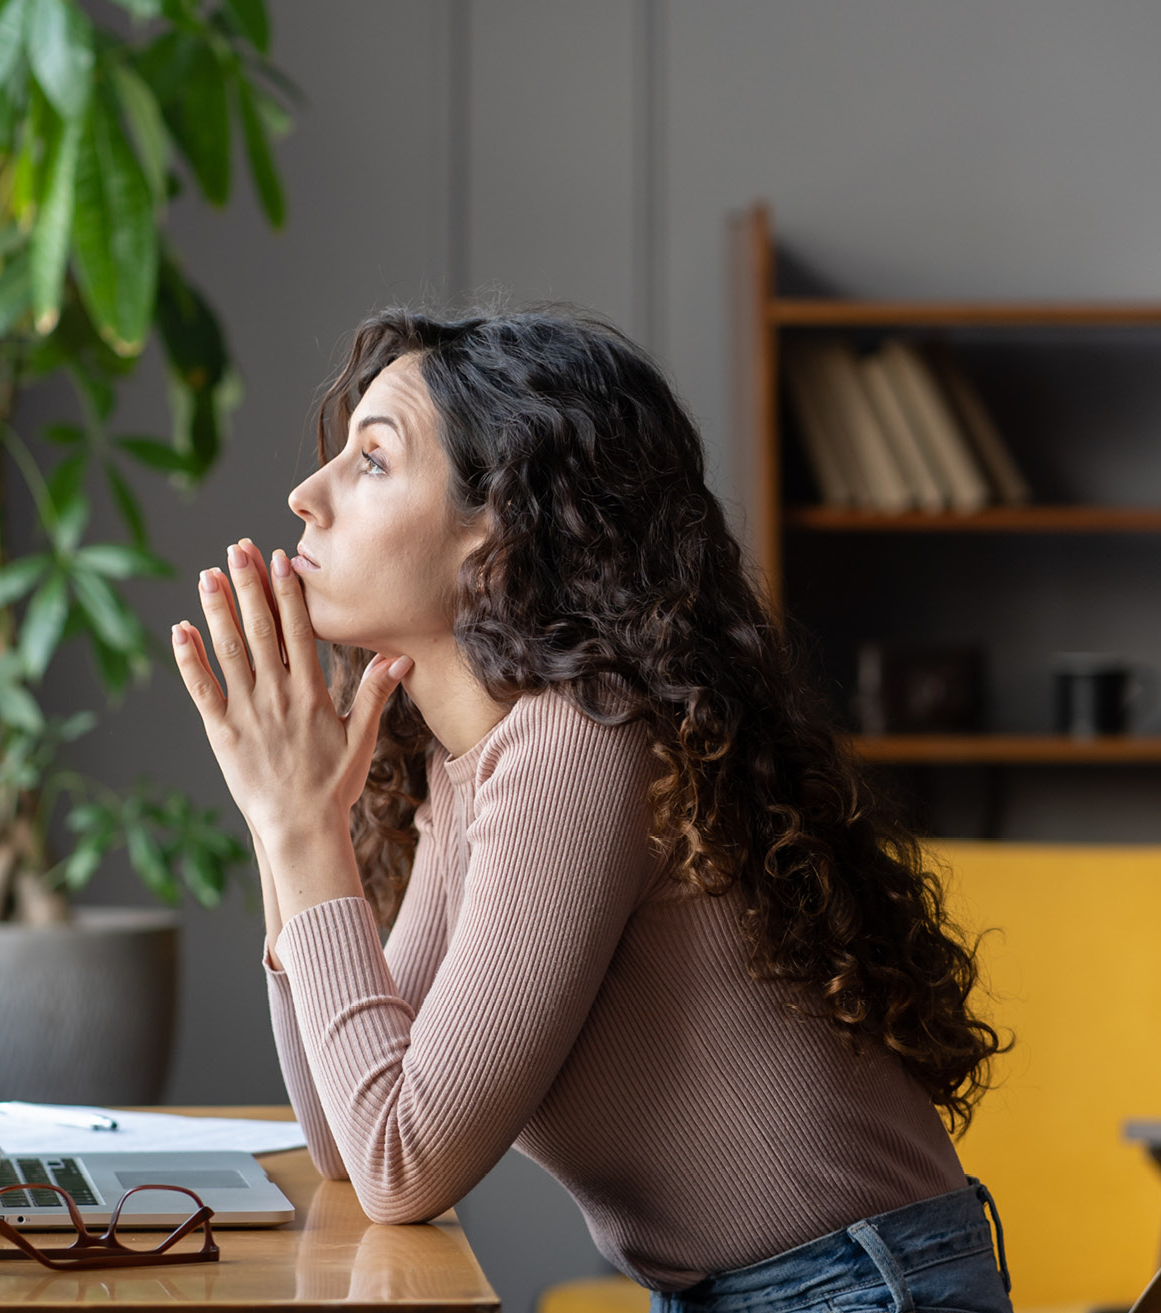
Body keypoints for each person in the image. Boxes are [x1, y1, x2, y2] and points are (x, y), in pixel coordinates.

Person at [169, 307, 1010, 1312]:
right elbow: (347, 1141)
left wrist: (306, 829)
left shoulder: (580, 738)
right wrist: (280, 823)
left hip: (859, 1292)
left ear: (501, 523)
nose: (308, 496)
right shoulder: (477, 764)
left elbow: (402, 1159)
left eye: (374, 461)